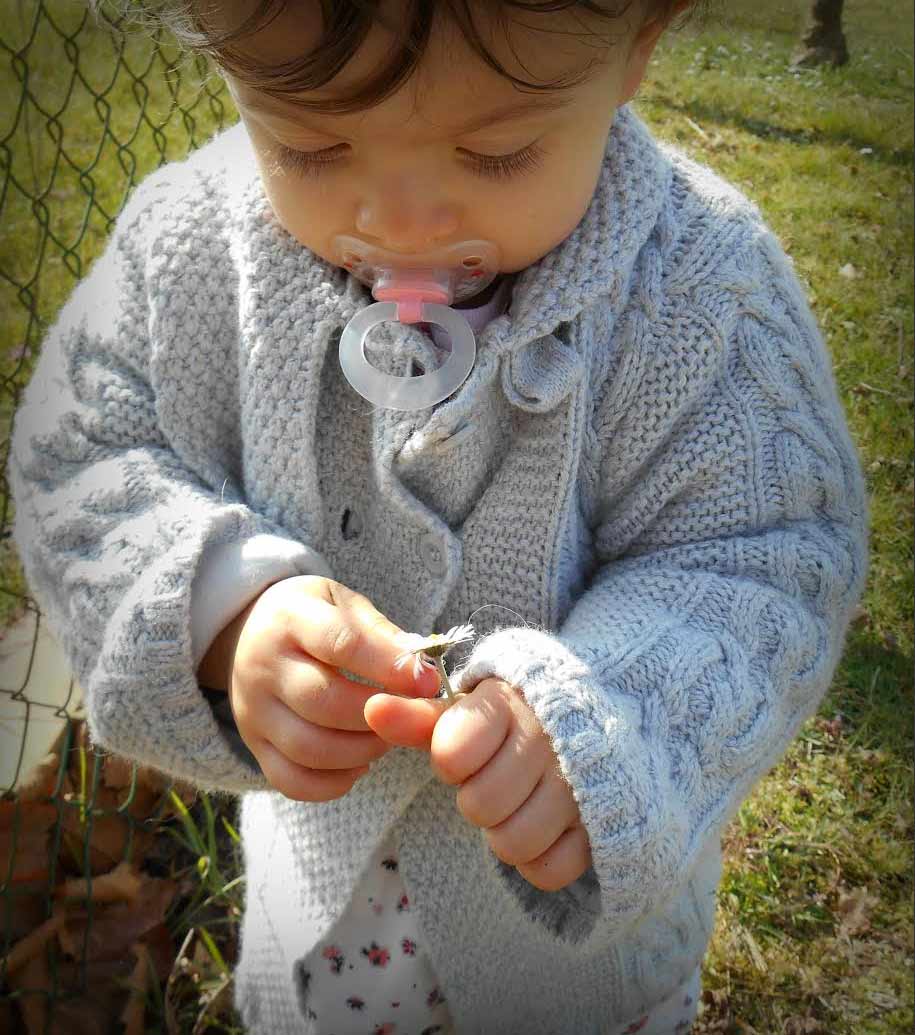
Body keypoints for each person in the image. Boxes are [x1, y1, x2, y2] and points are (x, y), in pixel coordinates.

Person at [9, 1, 868, 1032]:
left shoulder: (702, 290)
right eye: (310, 143)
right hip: (327, 937)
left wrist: (609, 721)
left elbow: (765, 554)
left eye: (498, 151)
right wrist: (222, 616)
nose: (399, 221)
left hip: (589, 978)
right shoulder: (189, 253)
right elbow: (85, 454)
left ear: (637, 47)